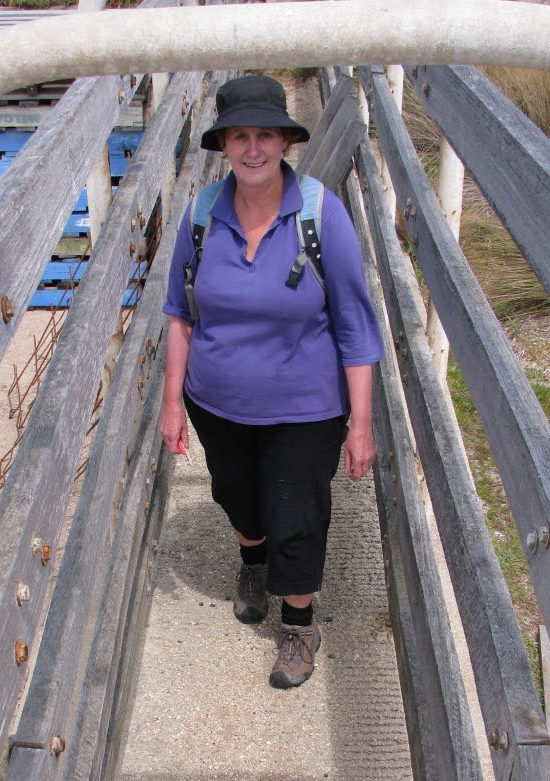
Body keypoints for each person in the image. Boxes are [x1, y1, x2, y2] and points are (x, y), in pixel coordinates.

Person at [161, 74, 383, 689]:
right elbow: (179, 313)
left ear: (284, 141)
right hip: (216, 400)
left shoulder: (319, 214)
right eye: (240, 137)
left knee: (298, 515)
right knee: (237, 496)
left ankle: (297, 622)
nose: (252, 149)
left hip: (305, 407)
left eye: (264, 135)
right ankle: (250, 561)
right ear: (223, 145)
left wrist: (360, 424)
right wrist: (171, 402)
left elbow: (356, 325)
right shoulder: (202, 213)